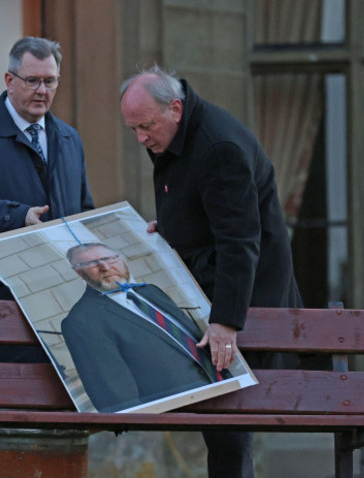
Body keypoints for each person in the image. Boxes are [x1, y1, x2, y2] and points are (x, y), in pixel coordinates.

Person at [119, 66, 303, 478]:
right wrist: (168, 226)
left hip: (245, 303)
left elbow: (240, 242)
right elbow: (202, 205)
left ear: (176, 109)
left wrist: (225, 322)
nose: (141, 139)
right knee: (222, 430)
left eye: (146, 127)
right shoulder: (178, 133)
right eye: (132, 129)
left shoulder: (220, 146)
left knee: (228, 429)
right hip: (212, 290)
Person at [0, 37, 94, 363]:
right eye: (32, 81)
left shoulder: (70, 139)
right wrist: (19, 216)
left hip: (62, 306)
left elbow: (83, 210)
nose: (42, 90)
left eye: (50, 81)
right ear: (9, 81)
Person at [61, 243, 224, 413]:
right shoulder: (81, 320)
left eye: (109, 258)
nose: (105, 267)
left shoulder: (150, 291)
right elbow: (113, 392)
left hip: (221, 383)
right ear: (78, 272)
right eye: (92, 264)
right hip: (177, 410)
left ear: (121, 259)